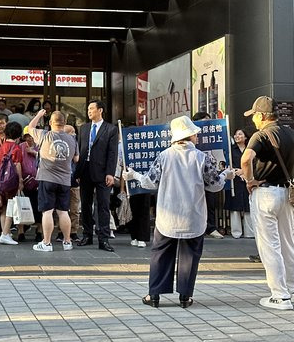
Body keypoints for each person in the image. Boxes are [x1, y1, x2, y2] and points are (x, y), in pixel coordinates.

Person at [123, 116, 233, 308]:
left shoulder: (164, 156)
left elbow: (150, 182)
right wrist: (226, 174)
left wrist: (133, 175)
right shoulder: (202, 157)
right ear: (189, 135)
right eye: (195, 133)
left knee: (160, 254)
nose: (198, 137)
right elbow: (215, 186)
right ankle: (185, 296)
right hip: (193, 215)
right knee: (190, 255)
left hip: (168, 215)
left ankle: (154, 295)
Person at [241, 96, 294, 310]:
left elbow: (246, 159)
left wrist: (249, 180)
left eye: (254, 115)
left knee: (269, 246)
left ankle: (280, 295)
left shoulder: (261, 135)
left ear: (262, 116)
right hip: (288, 194)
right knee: (288, 244)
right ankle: (291, 289)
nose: (253, 119)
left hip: (266, 194)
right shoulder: (290, 132)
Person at [29, 110, 78, 252]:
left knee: (47, 211)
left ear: (50, 123)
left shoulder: (44, 135)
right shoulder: (71, 139)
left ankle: (47, 243)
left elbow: (30, 127)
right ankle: (67, 242)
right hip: (65, 180)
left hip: (47, 178)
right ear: (64, 123)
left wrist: (38, 115)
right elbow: (76, 159)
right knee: (63, 211)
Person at [74, 100, 118, 252]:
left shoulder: (110, 129)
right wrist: (77, 172)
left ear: (100, 110)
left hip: (102, 172)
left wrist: (110, 173)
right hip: (85, 171)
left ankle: (103, 238)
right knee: (85, 205)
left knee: (103, 206)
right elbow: (80, 150)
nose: (89, 111)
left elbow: (112, 153)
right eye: (88, 109)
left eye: (92, 108)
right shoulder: (84, 128)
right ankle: (87, 235)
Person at [192, 111, 225, 239]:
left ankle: (210, 227)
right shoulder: (191, 136)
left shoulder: (213, 134)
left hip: (208, 174)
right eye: (204, 121)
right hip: (194, 175)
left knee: (210, 202)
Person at [0, 121, 24, 245]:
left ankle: (4, 231)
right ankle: (5, 233)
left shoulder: (3, 146)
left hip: (0, 179)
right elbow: (17, 165)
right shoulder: (16, 148)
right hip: (11, 180)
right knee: (11, 206)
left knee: (4, 207)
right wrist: (20, 180)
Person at [224, 128, 254, 239]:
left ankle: (250, 232)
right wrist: (238, 172)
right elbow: (227, 164)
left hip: (248, 179)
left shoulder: (250, 149)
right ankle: (236, 232)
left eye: (240, 134)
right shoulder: (231, 149)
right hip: (234, 179)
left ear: (245, 137)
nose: (237, 136)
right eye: (236, 134)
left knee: (248, 205)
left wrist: (245, 172)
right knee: (234, 206)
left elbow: (254, 163)